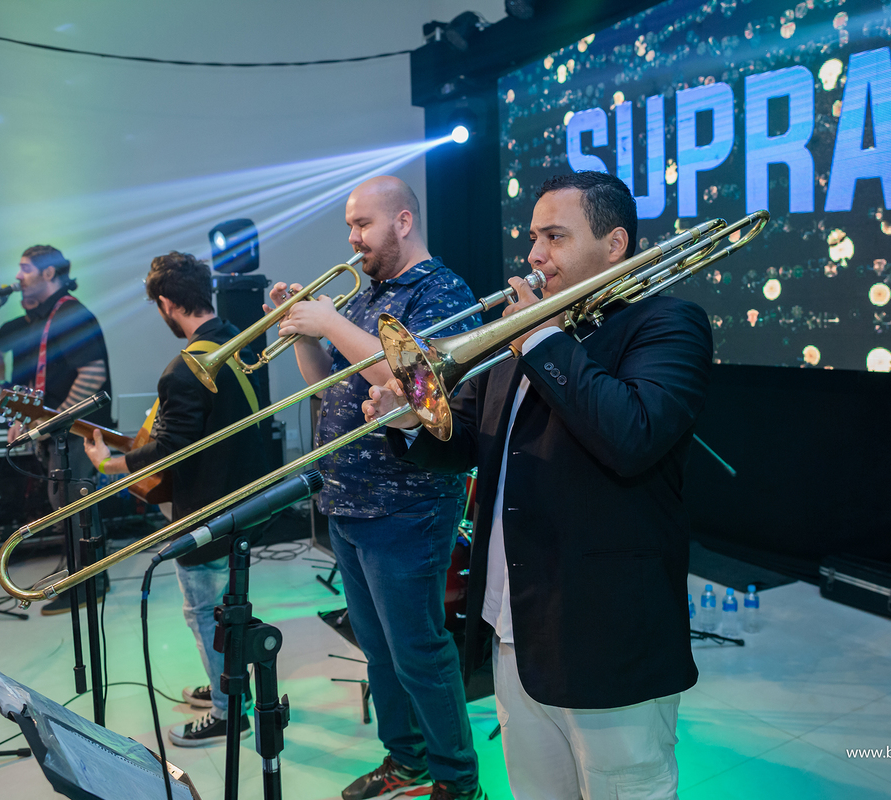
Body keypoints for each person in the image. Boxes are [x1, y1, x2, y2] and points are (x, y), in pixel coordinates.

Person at [365, 171, 711, 799]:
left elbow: (632, 434)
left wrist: (542, 339)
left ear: (614, 244)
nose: (535, 255)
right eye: (533, 238)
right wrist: (411, 422)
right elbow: (469, 442)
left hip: (605, 635)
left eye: (555, 237)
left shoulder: (667, 323)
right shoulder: (521, 335)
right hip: (514, 628)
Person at [266, 176, 485, 800]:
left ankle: (457, 781)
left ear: (403, 222)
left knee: (418, 650)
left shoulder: (442, 291)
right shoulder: (368, 298)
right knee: (380, 650)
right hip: (349, 500)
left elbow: (418, 381)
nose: (353, 238)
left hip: (407, 504)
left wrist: (332, 321)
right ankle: (406, 761)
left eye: (362, 224)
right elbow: (328, 381)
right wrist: (308, 336)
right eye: (350, 226)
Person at [83, 251, 269, 746]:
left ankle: (230, 711)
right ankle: (229, 685)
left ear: (166, 302)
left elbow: (169, 451)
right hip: (245, 500)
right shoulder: (236, 339)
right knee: (228, 606)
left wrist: (109, 464)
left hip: (206, 511)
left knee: (204, 610)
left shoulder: (183, 370)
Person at [0, 245, 113, 616]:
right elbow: (44, 380)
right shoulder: (47, 317)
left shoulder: (70, 314)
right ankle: (79, 575)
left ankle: (90, 584)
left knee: (74, 504)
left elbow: (92, 375)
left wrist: (51, 423)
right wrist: (22, 417)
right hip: (66, 431)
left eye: (25, 268)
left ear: (49, 273)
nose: (18, 276)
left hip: (80, 433)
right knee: (63, 503)